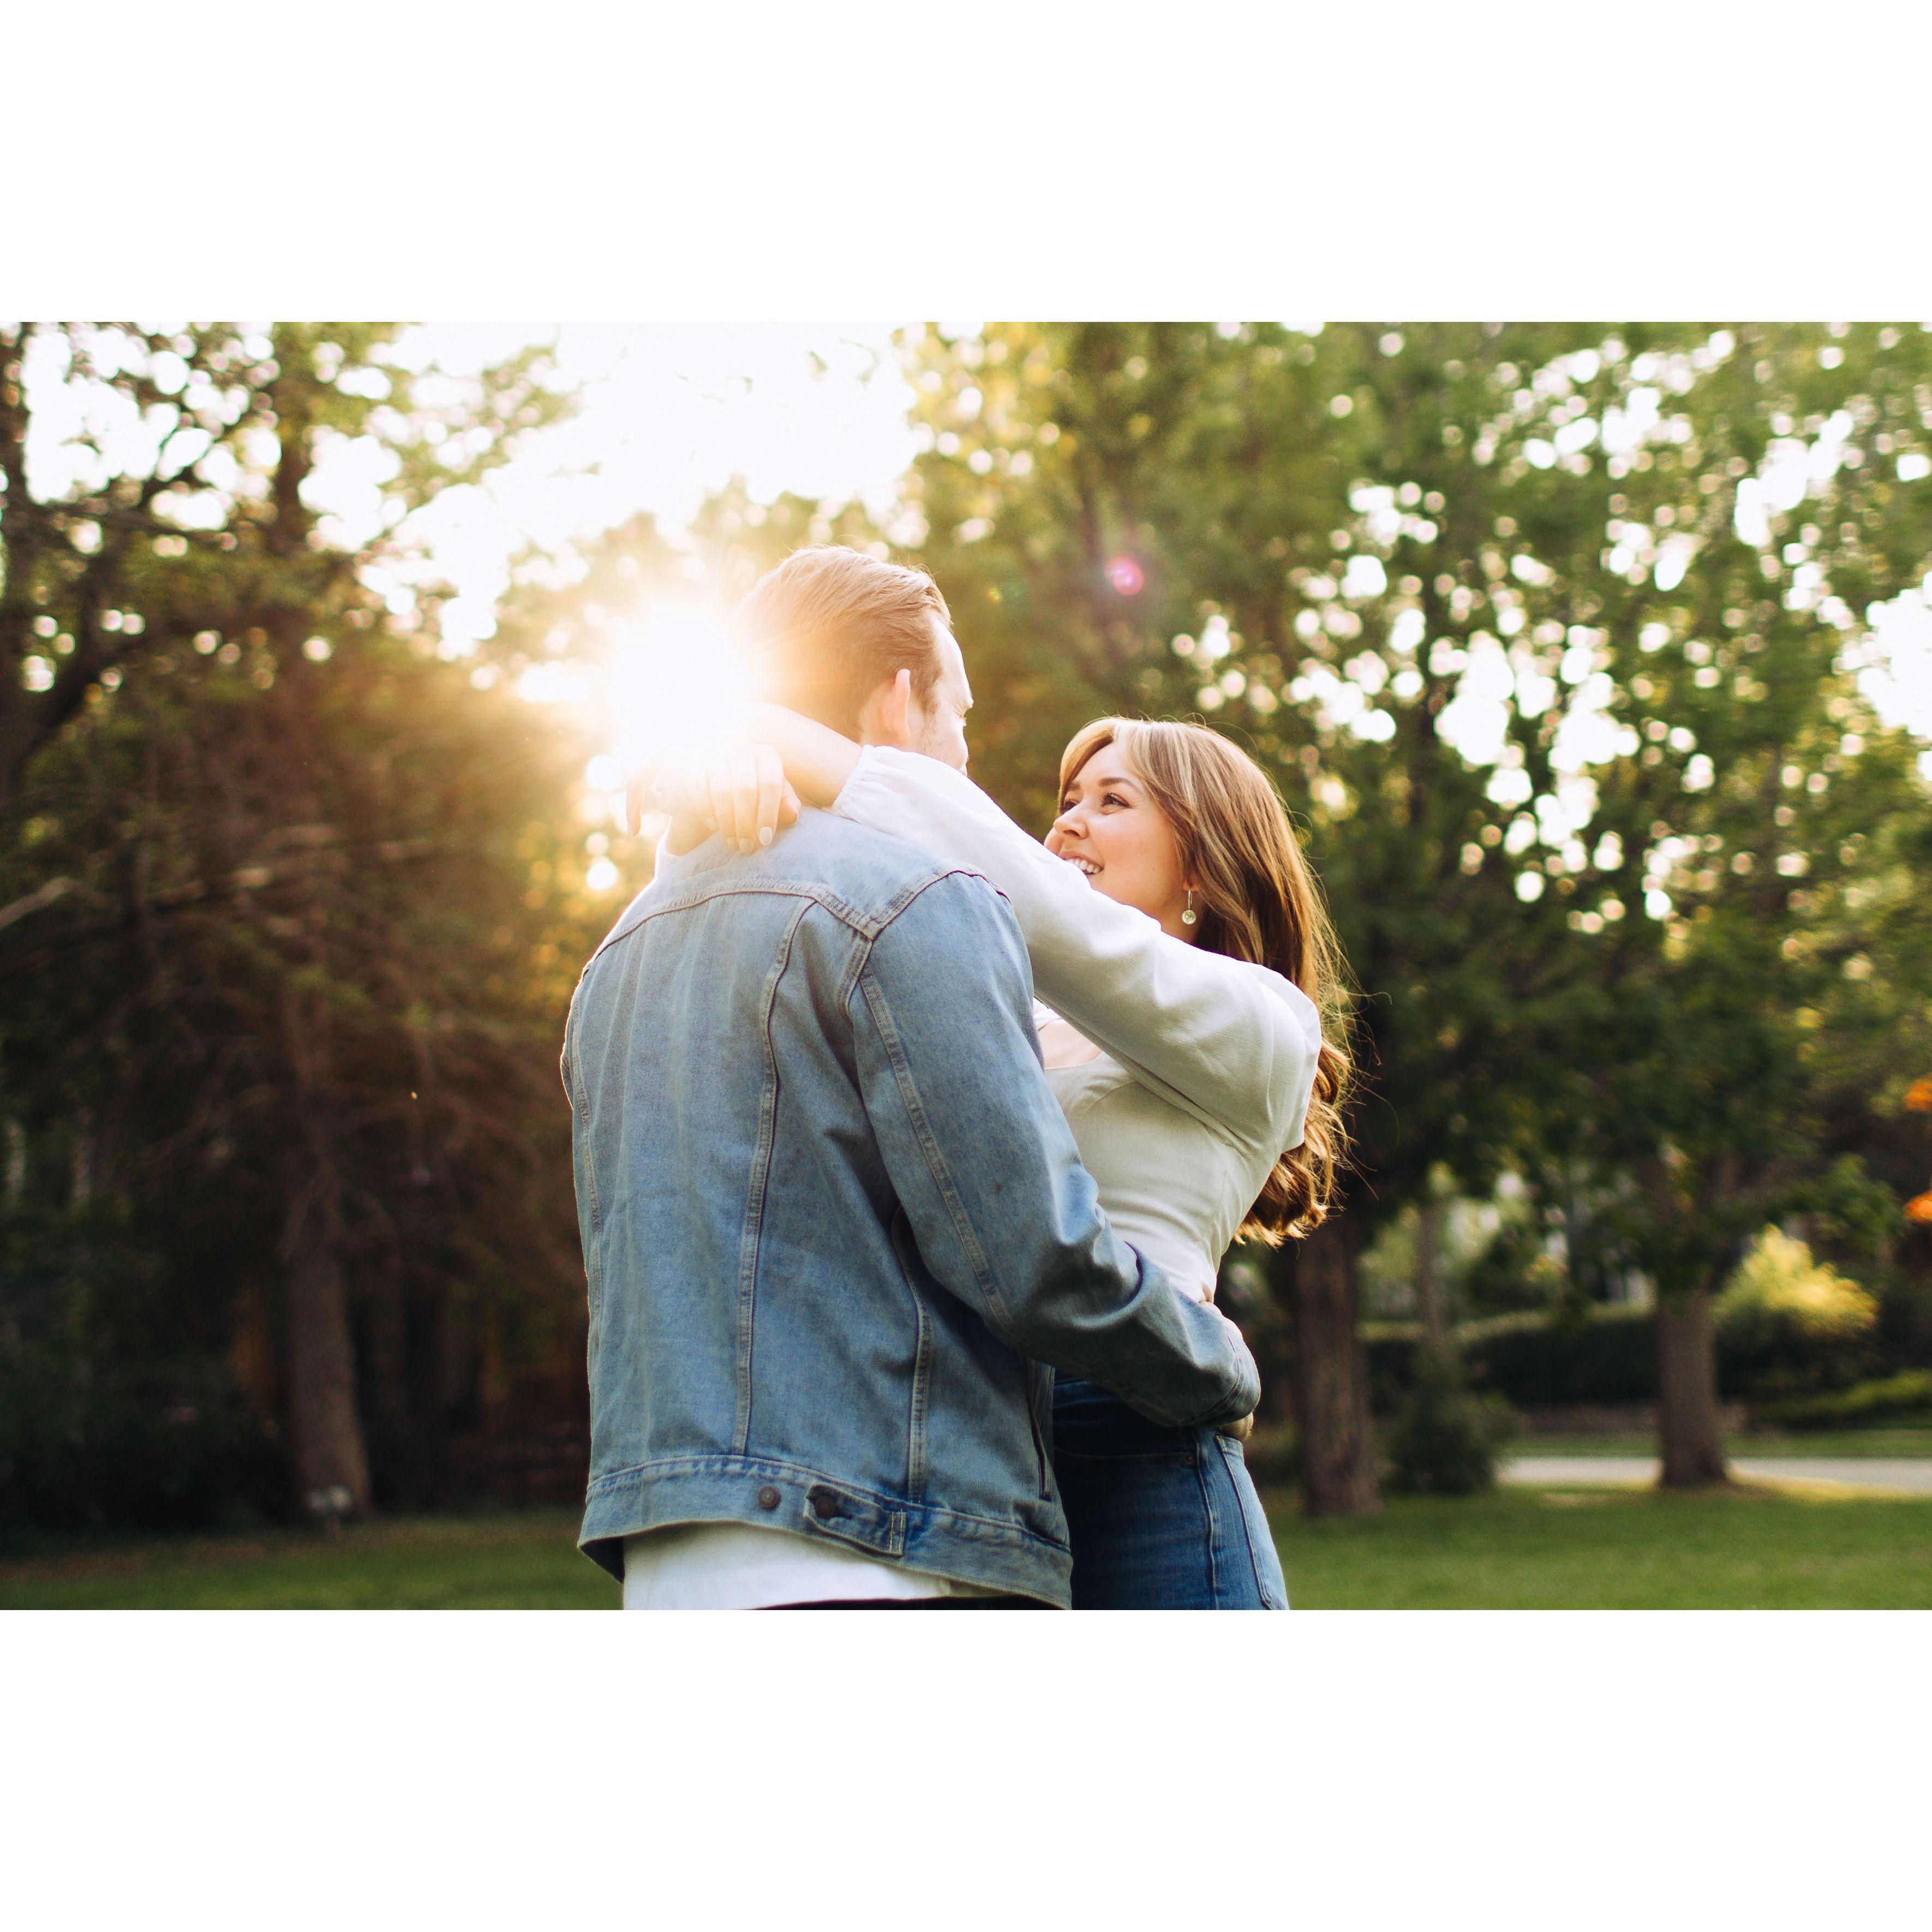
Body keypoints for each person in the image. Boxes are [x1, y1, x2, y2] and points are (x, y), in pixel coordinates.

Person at [655, 547, 1351, 1610]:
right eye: (1066, 798)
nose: (1066, 821)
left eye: (1112, 800)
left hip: (1142, 1459)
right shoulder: (982, 1000)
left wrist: (802, 744)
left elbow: (1047, 914)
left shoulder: (1262, 1028)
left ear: (1204, 865)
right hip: (968, 1474)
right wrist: (706, 814)